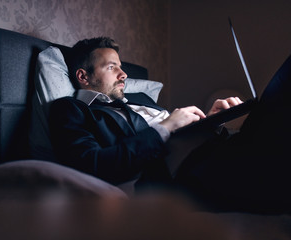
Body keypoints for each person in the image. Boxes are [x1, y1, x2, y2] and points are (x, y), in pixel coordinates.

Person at [46, 37, 291, 213]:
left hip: (219, 148)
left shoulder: (141, 100)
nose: (124, 75)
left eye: (121, 67)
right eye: (112, 67)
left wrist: (210, 121)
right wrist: (166, 127)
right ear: (83, 76)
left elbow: (180, 135)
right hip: (186, 177)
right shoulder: (71, 109)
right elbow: (92, 165)